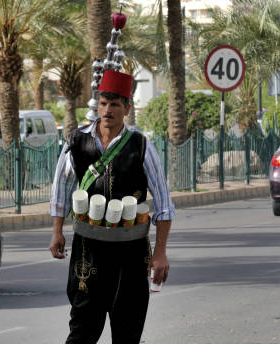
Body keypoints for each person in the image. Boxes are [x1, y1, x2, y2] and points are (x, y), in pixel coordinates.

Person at [49, 69, 175, 343]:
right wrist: (57, 230)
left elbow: (164, 204)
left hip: (131, 255)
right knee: (81, 332)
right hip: (88, 253)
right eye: (103, 103)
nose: (107, 110)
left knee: (127, 333)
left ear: (126, 108)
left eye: (115, 104)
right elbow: (61, 188)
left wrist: (161, 253)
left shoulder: (141, 146)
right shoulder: (76, 142)